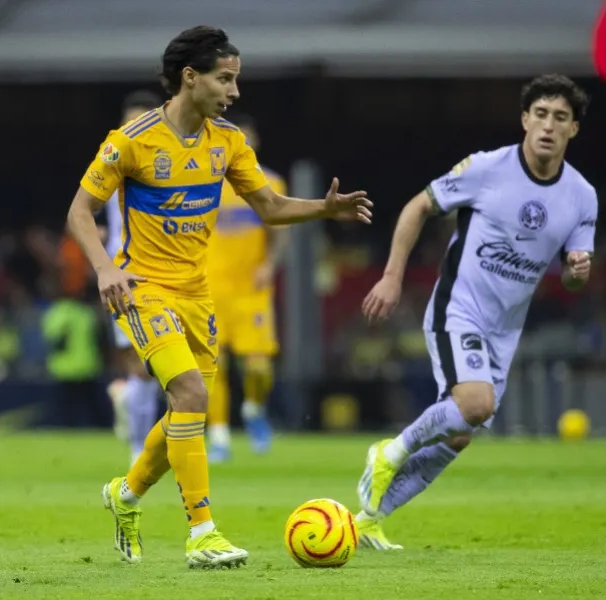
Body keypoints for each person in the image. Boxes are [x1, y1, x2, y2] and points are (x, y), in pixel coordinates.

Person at [65, 25, 372, 568]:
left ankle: (125, 495)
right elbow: (79, 212)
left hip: (197, 294)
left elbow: (271, 208)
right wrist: (105, 269)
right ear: (191, 77)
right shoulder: (131, 139)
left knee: (186, 409)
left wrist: (325, 210)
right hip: (144, 290)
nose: (234, 91)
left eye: (236, 80)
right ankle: (203, 533)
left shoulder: (227, 142)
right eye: (225, 79)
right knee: (189, 394)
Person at [353, 74, 596, 550]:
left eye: (560, 118)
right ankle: (390, 450)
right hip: (457, 309)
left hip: (505, 330)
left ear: (573, 130)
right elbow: (416, 206)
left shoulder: (582, 196)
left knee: (460, 434)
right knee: (475, 405)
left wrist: (577, 271)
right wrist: (392, 276)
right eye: (540, 114)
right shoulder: (487, 168)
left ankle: (367, 518)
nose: (548, 125)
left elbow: (572, 275)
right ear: (525, 119)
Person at [206, 113, 287, 461]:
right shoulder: (202, 181)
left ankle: (253, 410)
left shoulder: (269, 184)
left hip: (250, 290)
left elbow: (280, 231)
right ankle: (219, 434)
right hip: (208, 288)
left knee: (257, 367)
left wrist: (269, 265)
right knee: (214, 366)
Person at [101, 90, 165, 465]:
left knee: (152, 363)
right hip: (122, 273)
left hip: (163, 272)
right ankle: (139, 446)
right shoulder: (111, 160)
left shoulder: (167, 161)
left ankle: (133, 413)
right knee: (137, 361)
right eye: (130, 123)